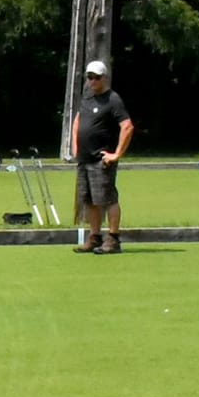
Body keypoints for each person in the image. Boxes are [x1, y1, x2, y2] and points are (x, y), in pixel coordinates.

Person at [71, 59, 134, 254]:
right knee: (89, 201)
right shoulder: (87, 98)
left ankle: (113, 239)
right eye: (89, 77)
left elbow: (127, 126)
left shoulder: (113, 99)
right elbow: (78, 120)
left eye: (96, 78)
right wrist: (75, 146)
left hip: (101, 159)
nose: (92, 81)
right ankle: (94, 237)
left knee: (107, 200)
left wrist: (116, 154)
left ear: (104, 78)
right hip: (84, 159)